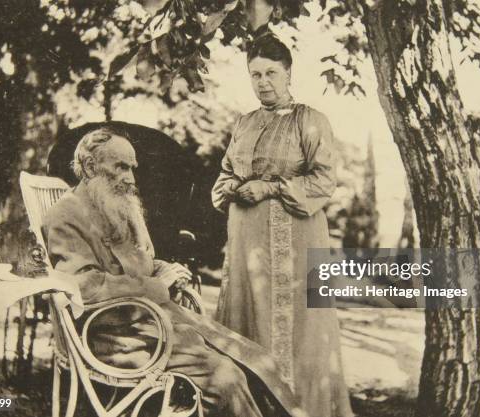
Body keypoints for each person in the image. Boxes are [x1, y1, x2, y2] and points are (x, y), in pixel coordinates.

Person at [43, 127, 306, 417]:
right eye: (120, 167)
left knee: (258, 360)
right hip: (113, 335)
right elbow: (85, 287)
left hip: (150, 321)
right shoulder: (66, 215)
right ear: (90, 166)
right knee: (226, 377)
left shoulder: (110, 206)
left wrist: (163, 269)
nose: (130, 178)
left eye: (132, 168)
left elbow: (135, 263)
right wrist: (157, 286)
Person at [211, 34, 354, 417]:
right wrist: (231, 187)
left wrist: (270, 188)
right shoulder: (244, 123)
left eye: (271, 73)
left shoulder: (310, 121)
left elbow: (324, 181)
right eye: (255, 74)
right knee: (248, 321)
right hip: (246, 242)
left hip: (295, 239)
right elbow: (226, 171)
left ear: (288, 73)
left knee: (299, 332)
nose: (263, 82)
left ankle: (299, 409)